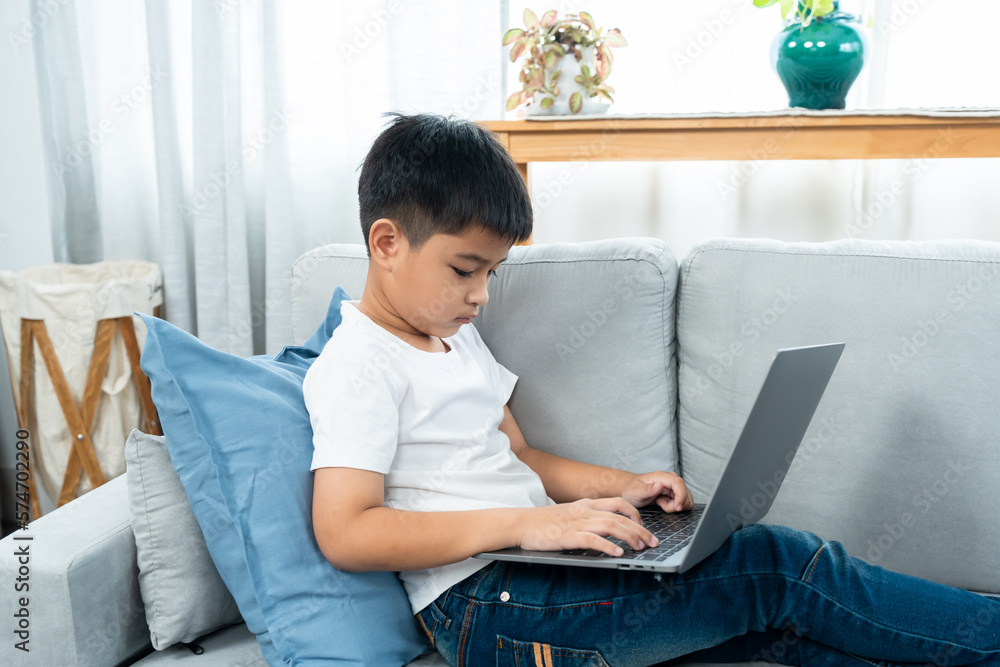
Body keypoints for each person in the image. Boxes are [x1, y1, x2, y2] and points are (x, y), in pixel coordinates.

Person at [304, 111, 1000, 667]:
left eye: (492, 273)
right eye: (466, 269)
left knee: (794, 627)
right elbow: (347, 530)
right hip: (486, 608)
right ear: (388, 243)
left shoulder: (453, 335)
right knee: (781, 564)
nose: (481, 295)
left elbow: (522, 457)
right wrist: (528, 523)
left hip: (538, 571)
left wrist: (623, 484)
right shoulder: (357, 363)